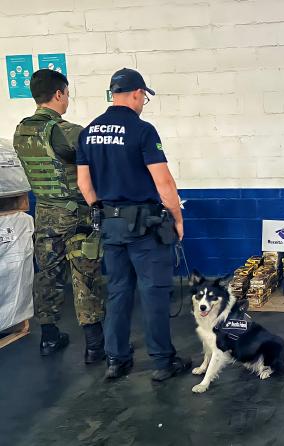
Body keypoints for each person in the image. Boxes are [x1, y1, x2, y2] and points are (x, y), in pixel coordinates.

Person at [76, 68, 190, 381]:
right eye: (144, 98)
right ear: (138, 93)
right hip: (145, 228)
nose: (143, 103)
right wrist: (177, 217)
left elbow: (84, 183)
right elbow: (163, 181)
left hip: (111, 228)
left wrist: (103, 210)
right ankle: (163, 363)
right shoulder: (143, 131)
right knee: (154, 293)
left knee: (118, 292)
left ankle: (116, 360)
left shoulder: (88, 133)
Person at [13, 69, 105, 362]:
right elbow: (98, 159)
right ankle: (94, 346)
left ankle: (49, 339)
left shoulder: (21, 130)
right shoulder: (65, 130)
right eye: (66, 94)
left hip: (44, 213)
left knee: (48, 274)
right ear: (58, 94)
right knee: (84, 273)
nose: (67, 100)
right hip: (75, 215)